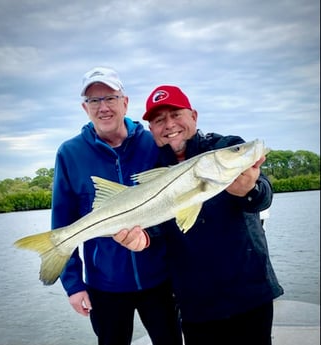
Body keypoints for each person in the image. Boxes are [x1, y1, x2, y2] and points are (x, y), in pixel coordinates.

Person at [114, 85, 284, 345]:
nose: (169, 124)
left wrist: (250, 189)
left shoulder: (226, 147)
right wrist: (142, 240)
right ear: (152, 131)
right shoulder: (153, 172)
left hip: (249, 293)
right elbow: (156, 230)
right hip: (195, 304)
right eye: (159, 120)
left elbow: (264, 194)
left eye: (176, 114)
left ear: (193, 116)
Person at [51, 71, 182, 345]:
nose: (103, 107)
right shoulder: (69, 153)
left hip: (160, 279)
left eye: (110, 97)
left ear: (125, 102)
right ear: (84, 108)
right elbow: (62, 222)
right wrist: (73, 285)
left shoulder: (153, 142)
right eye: (94, 100)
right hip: (104, 285)